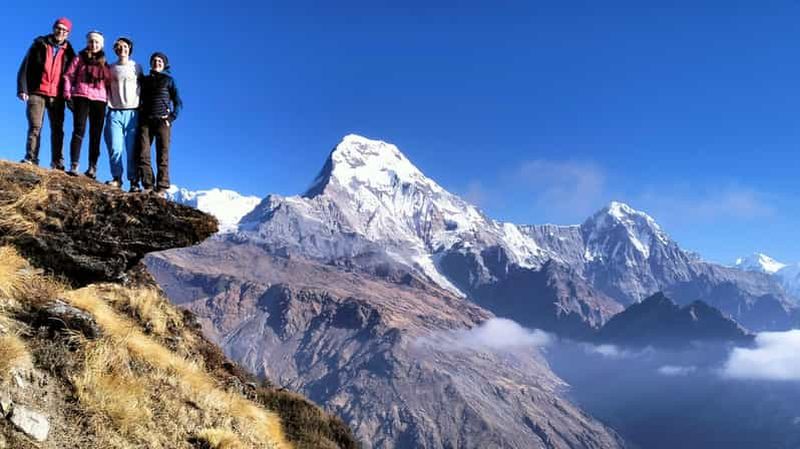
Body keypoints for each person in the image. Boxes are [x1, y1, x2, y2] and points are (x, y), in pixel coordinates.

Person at [17, 17, 76, 169]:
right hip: (37, 92)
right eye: (59, 28)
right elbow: (25, 66)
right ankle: (31, 158)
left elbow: (73, 77)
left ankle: (57, 163)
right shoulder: (39, 44)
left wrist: (72, 99)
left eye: (64, 30)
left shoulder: (70, 53)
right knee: (35, 126)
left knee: (57, 130)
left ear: (68, 33)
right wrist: (22, 88)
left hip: (57, 96)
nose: (61, 32)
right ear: (54, 28)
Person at [63, 31, 110, 178]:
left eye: (96, 42)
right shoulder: (80, 58)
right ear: (87, 43)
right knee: (79, 131)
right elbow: (68, 75)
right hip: (81, 96)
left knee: (95, 135)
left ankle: (92, 167)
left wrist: (109, 101)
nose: (93, 44)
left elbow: (108, 84)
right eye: (91, 41)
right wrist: (67, 93)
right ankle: (74, 164)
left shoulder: (105, 63)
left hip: (100, 101)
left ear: (101, 45)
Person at [137, 52, 182, 196]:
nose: (157, 63)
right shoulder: (144, 80)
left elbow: (178, 102)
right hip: (145, 120)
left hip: (163, 121)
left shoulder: (169, 80)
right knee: (143, 152)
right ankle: (148, 185)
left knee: (162, 154)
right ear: (151, 63)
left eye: (160, 61)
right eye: (154, 61)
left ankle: (161, 187)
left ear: (164, 65)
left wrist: (171, 118)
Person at [104, 37, 143, 189]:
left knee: (132, 149)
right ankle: (117, 178)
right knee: (115, 147)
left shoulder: (137, 67)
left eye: (125, 46)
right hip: (114, 112)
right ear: (115, 49)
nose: (122, 49)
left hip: (133, 113)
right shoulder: (110, 68)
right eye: (119, 47)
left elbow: (143, 87)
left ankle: (134, 181)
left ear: (129, 49)